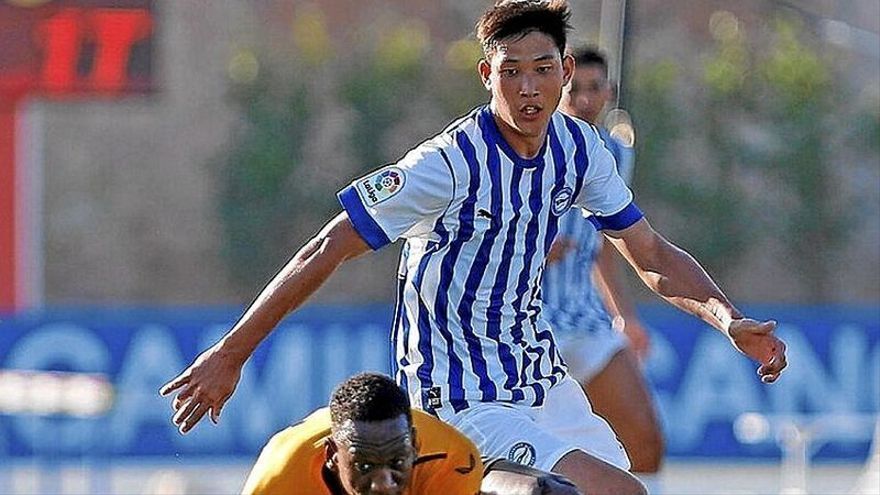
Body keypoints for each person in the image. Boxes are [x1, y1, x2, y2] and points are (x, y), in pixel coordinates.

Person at [160, 2, 787, 494]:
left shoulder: (581, 150)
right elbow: (326, 247)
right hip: (458, 397)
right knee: (602, 492)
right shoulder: (446, 164)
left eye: (543, 70)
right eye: (511, 72)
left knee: (631, 485)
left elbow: (650, 253)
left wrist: (726, 319)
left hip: (542, 383)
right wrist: (231, 354)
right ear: (488, 74)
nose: (529, 88)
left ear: (565, 73)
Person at [541, 46, 664, 490]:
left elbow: (607, 244)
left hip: (588, 319)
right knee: (541, 451)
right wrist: (534, 246)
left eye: (595, 89)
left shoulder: (616, 152)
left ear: (608, 92)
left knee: (645, 443)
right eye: (576, 90)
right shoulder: (535, 143)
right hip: (534, 323)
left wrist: (625, 316)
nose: (586, 100)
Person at [241, 372, 483, 494]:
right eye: (365, 466)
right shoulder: (278, 481)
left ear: (415, 447)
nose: (383, 485)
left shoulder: (451, 459)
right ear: (332, 455)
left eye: (397, 462)